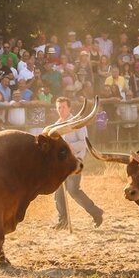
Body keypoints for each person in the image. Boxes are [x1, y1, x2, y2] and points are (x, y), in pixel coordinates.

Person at [51, 97, 103, 230]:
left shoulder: (77, 123)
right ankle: (63, 220)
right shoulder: (56, 125)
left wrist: (68, 146)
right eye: (58, 107)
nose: (61, 110)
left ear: (69, 108)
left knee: (73, 190)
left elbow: (84, 143)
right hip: (60, 164)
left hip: (75, 162)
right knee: (58, 192)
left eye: (63, 107)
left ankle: (96, 212)